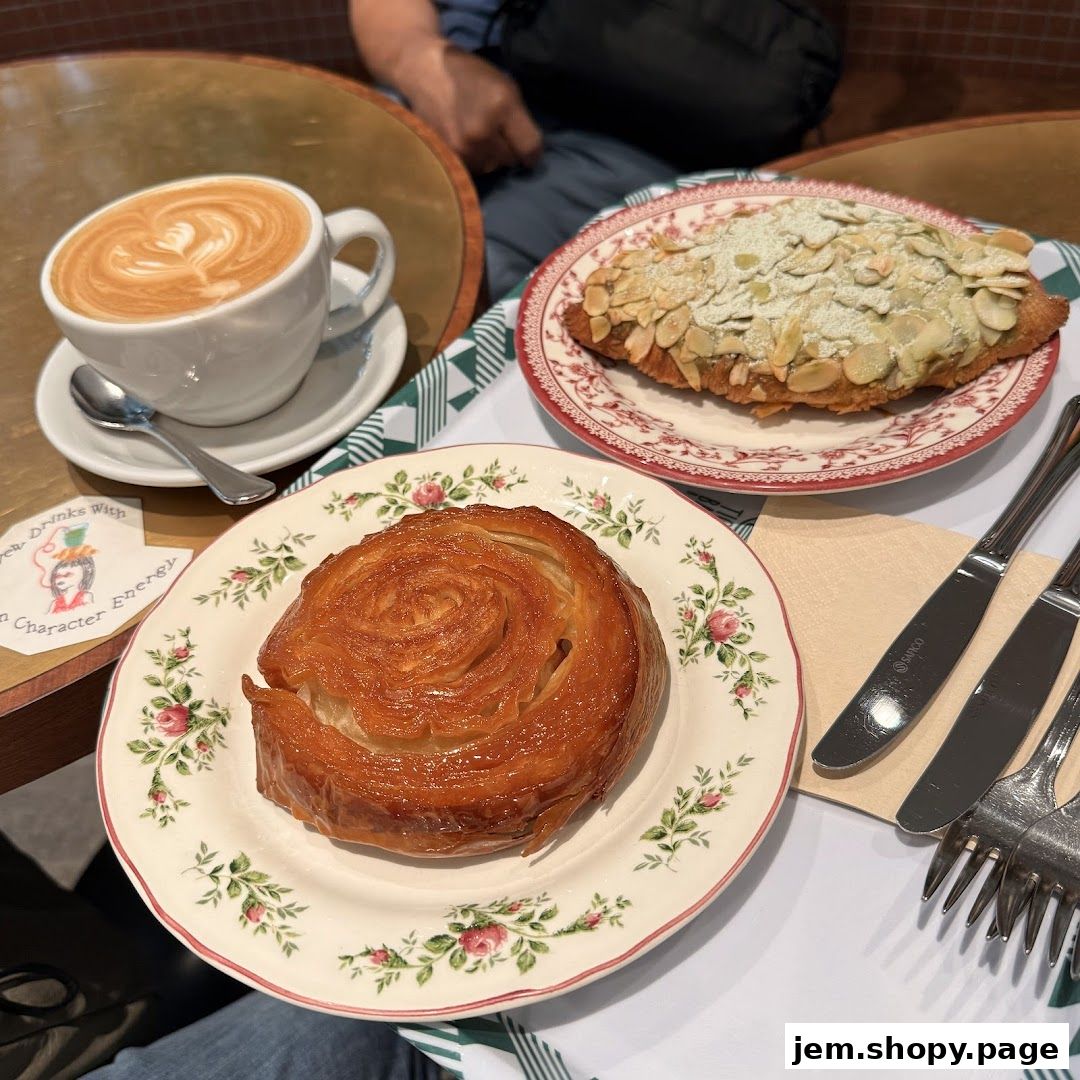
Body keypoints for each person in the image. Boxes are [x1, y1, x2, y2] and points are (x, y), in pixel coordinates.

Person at [349, 0, 841, 297]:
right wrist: (419, 62)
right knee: (340, 253)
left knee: (476, 278)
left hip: (642, 117)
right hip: (438, 72)